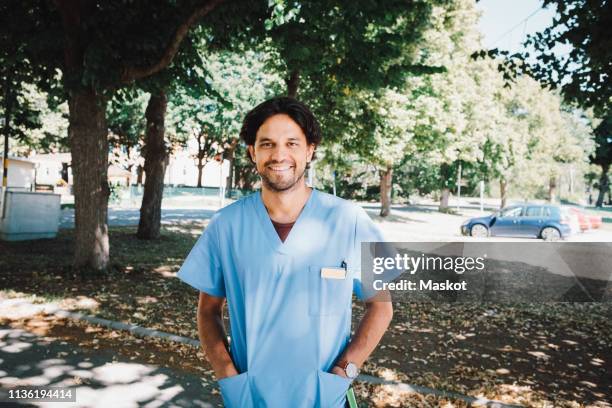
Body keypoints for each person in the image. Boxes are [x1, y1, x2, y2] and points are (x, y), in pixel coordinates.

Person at [177, 96, 393, 407]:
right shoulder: (225, 226)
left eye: (292, 143)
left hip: (325, 398)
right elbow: (208, 311)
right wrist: (227, 374)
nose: (279, 154)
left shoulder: (351, 220)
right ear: (253, 152)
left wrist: (345, 371)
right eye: (267, 144)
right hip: (250, 398)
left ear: (310, 150)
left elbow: (382, 306)